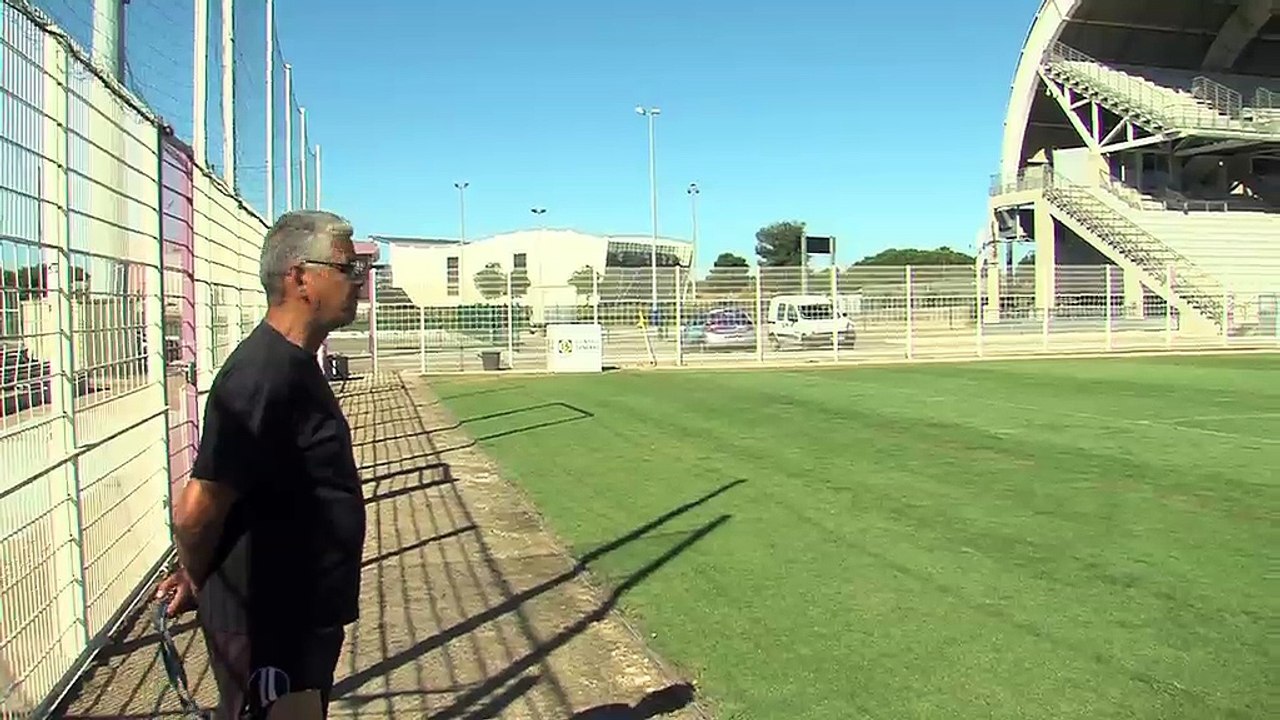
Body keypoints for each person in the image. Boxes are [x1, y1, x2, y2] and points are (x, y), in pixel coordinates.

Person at [156, 210, 369, 719]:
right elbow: (195, 510)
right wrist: (195, 571)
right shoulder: (262, 375)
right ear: (300, 277)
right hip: (270, 625)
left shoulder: (292, 367)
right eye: (347, 268)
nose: (359, 281)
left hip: (297, 618)